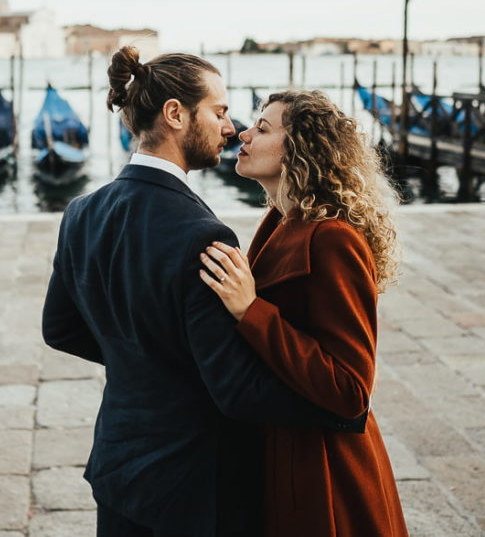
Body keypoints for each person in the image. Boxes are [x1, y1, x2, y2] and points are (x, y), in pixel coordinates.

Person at [42, 48, 366, 537]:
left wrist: (141, 362)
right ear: (175, 114)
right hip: (193, 486)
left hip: (117, 465)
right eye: (218, 111)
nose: (231, 127)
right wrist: (343, 412)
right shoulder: (203, 235)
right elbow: (233, 389)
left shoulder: (82, 211)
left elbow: (60, 329)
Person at [198, 90, 408, 536]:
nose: (242, 133)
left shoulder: (333, 238)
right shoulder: (280, 219)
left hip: (324, 468)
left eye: (263, 128)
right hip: (283, 446)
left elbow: (351, 389)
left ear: (300, 147)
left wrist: (250, 310)